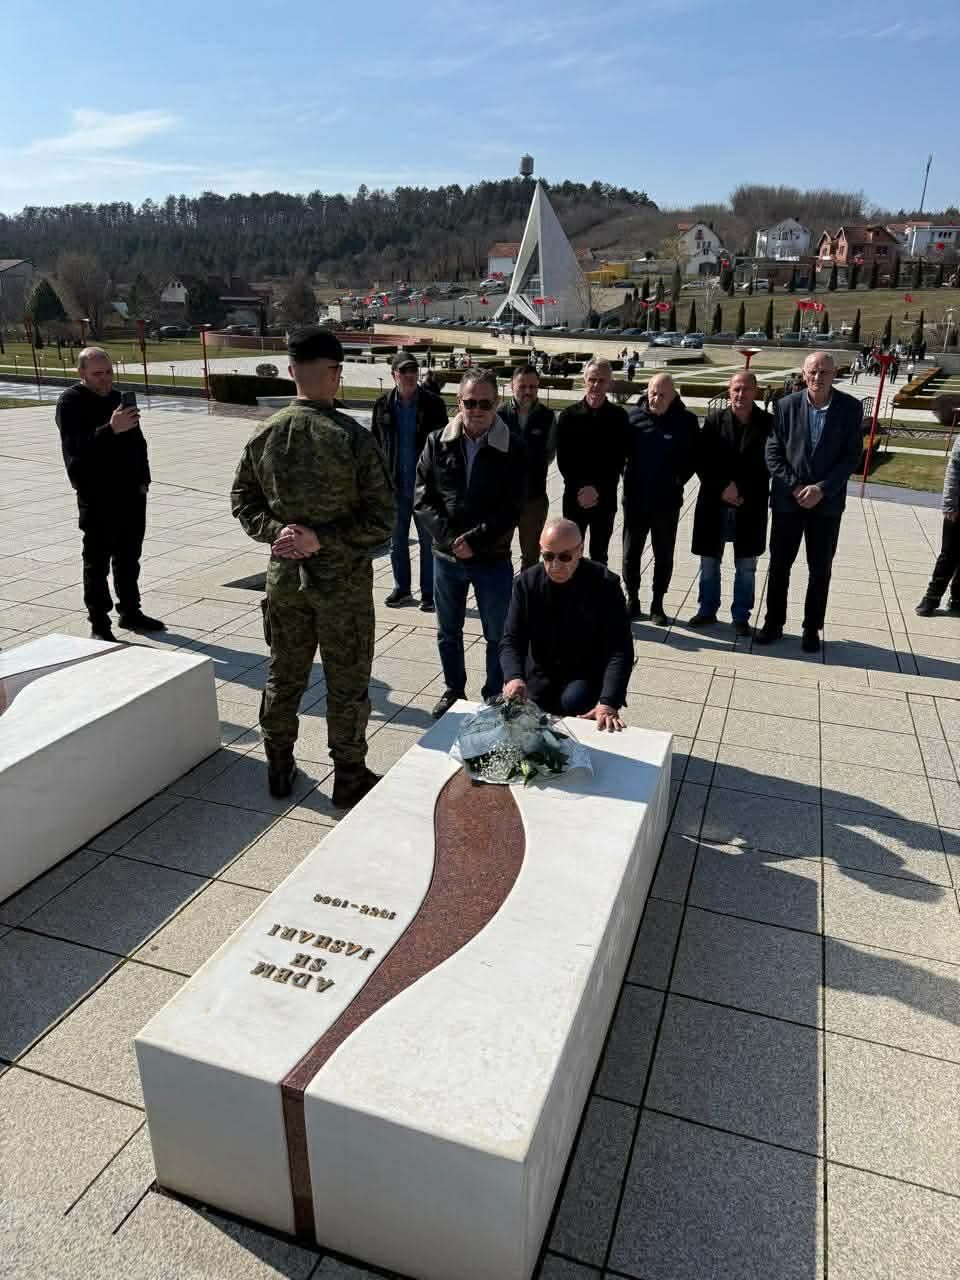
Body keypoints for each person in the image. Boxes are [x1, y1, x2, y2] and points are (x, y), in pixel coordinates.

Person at [231, 327, 396, 805]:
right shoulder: (352, 438)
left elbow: (242, 500)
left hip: (286, 581)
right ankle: (348, 774)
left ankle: (279, 766)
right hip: (341, 584)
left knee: (284, 675)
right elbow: (382, 519)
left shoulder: (266, 433)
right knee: (347, 680)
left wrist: (277, 533)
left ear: (291, 371)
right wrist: (322, 539)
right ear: (336, 373)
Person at [414, 368, 526, 719]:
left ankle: (493, 695)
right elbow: (422, 498)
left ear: (497, 403)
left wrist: (475, 541)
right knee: (448, 631)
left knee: (497, 634)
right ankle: (454, 690)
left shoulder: (513, 447)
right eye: (469, 402)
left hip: (491, 558)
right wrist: (451, 541)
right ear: (458, 402)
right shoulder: (437, 441)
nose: (476, 409)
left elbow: (513, 507)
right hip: (446, 559)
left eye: (485, 403)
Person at [755, 351, 864, 653]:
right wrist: (796, 487)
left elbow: (851, 456)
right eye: (812, 372)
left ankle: (811, 627)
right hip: (788, 503)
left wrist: (822, 489)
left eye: (824, 372)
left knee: (820, 569)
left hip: (826, 506)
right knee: (779, 566)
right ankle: (773, 623)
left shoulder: (850, 408)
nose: (818, 377)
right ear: (804, 374)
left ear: (834, 374)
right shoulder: (785, 406)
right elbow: (773, 453)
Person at [55, 346, 163, 642]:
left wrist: (144, 480)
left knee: (129, 557)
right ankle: (99, 623)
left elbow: (138, 443)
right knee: (97, 561)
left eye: (109, 372)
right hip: (97, 495)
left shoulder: (118, 399)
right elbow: (76, 449)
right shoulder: (70, 402)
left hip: (131, 493)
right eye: (97, 374)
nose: (105, 379)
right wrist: (111, 428)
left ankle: (130, 611)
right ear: (81, 373)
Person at [500, 517, 632, 731]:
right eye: (548, 556)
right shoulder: (526, 583)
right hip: (540, 672)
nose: (555, 565)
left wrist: (608, 701)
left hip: (584, 673)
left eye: (565, 557)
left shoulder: (605, 585)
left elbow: (619, 648)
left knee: (574, 701)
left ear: (580, 551)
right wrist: (513, 677)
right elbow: (511, 639)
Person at [689, 371, 772, 635]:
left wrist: (740, 489)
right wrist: (723, 487)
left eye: (746, 389)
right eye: (736, 389)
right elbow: (702, 459)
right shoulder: (715, 421)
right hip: (715, 501)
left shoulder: (768, 423)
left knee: (746, 565)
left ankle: (741, 616)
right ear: (729, 390)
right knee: (709, 561)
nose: (740, 394)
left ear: (755, 391)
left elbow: (770, 462)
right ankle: (707, 610)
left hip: (750, 503)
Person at [371, 352, 447, 612]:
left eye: (413, 370)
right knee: (397, 542)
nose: (410, 375)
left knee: (428, 543)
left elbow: (445, 447)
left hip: (425, 489)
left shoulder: (433, 405)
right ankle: (402, 590)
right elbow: (375, 447)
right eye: (404, 371)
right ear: (394, 374)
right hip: (395, 487)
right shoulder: (382, 405)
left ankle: (429, 593)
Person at [621, 373, 699, 624]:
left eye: (662, 395)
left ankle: (658, 603)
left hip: (667, 503)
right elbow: (620, 454)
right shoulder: (633, 417)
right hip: (635, 501)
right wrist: (628, 478)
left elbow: (692, 459)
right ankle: (632, 598)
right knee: (630, 553)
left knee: (663, 554)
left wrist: (677, 480)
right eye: (653, 393)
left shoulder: (686, 421)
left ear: (674, 395)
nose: (656, 399)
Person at [556, 359, 628, 566]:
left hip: (605, 498)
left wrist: (597, 490)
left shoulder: (619, 417)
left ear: (610, 383)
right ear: (584, 381)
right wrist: (582, 488)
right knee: (570, 553)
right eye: (592, 379)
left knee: (599, 555)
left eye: (601, 380)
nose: (596, 385)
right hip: (574, 497)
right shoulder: (568, 416)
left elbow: (618, 460)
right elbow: (564, 461)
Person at [499, 364, 557, 570]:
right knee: (498, 553)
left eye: (532, 387)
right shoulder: (499, 415)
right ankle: (504, 590)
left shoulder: (547, 417)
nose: (528, 391)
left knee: (531, 556)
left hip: (534, 499)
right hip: (503, 499)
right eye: (522, 386)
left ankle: (526, 589)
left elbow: (549, 453)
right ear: (512, 386)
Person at [915, 435, 960, 616]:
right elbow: (954, 468)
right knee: (949, 553)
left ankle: (957, 599)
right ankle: (931, 598)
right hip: (958, 506)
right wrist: (949, 503)